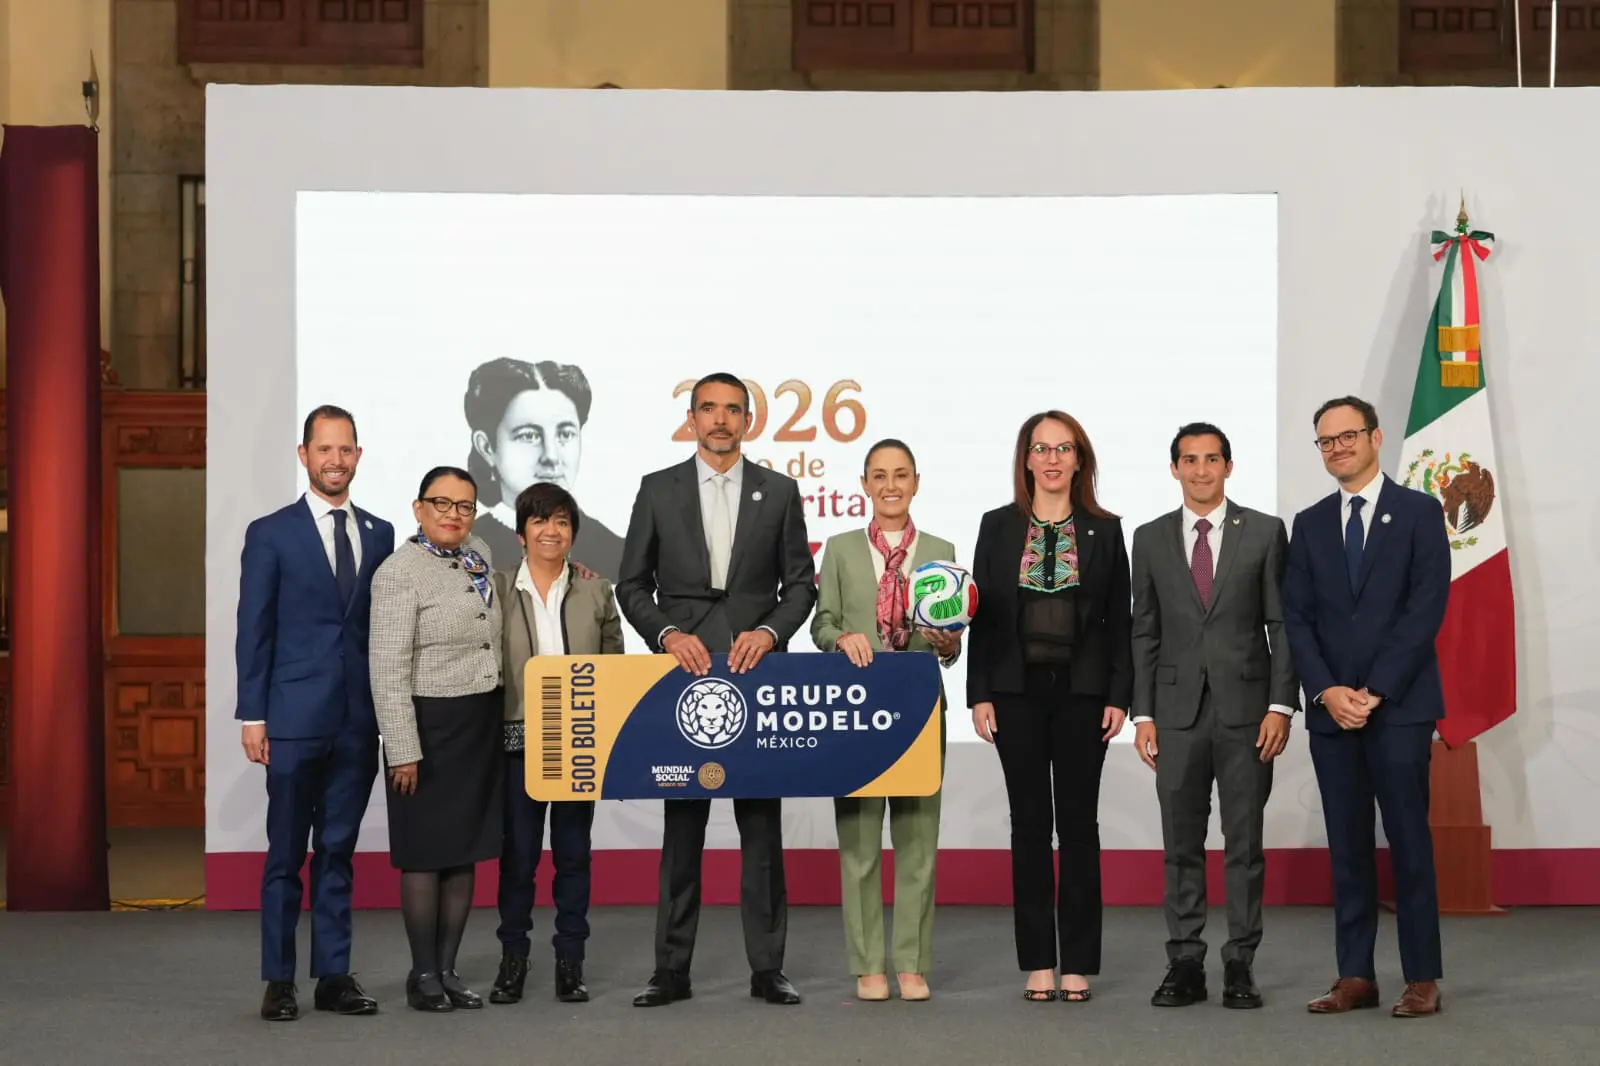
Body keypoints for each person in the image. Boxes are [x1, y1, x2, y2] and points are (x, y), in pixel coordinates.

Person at [616, 371, 818, 1008]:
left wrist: (769, 630)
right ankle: (670, 970)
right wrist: (668, 633)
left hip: (756, 676)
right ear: (692, 418)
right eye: (709, 409)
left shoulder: (780, 492)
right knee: (682, 831)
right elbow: (631, 586)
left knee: (762, 831)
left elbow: (802, 587)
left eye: (733, 410)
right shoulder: (657, 490)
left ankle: (768, 969)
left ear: (749, 420)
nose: (721, 420)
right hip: (686, 676)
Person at [1282, 396, 1451, 1019]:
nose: (1338, 449)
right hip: (1332, 713)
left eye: (1348, 436)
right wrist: (1328, 691)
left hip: (1400, 707)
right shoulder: (1310, 522)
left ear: (1375, 438)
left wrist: (1374, 691)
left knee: (1409, 842)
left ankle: (1422, 977)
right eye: (1325, 441)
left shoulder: (1419, 511)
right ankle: (1355, 975)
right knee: (1347, 847)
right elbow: (1297, 618)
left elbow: (1425, 609)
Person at [1129, 422, 1298, 1011]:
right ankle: (1184, 960)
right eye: (1189, 460)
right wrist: (1142, 713)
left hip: (1250, 714)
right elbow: (1144, 630)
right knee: (1181, 843)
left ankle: (1240, 964)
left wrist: (1281, 704)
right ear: (1173, 468)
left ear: (1229, 466)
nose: (1201, 470)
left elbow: (1282, 624)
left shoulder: (1266, 533)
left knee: (1244, 843)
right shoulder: (1148, 539)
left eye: (1212, 459)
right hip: (1173, 715)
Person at [236, 404, 395, 1022]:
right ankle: (279, 980)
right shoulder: (270, 532)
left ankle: (333, 974)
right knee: (284, 856)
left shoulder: (380, 533)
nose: (335, 460)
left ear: (358, 455)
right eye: (324, 449)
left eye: (345, 449)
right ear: (304, 456)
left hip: (358, 720)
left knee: (337, 851)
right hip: (292, 718)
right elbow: (255, 627)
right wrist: (253, 714)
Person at [967, 410, 1131, 1004]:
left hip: (1084, 696)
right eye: (1042, 448)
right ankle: (1038, 961)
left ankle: (1078, 962)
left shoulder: (1105, 530)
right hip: (1015, 694)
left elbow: (1119, 623)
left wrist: (1120, 696)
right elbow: (981, 619)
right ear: (1027, 459)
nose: (1054, 459)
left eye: (1065, 449)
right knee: (1030, 827)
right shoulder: (998, 525)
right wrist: (979, 692)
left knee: (1080, 828)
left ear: (1079, 460)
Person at [810, 438, 962, 1003]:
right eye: (880, 475)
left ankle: (912, 962)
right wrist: (841, 636)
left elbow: (950, 643)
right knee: (859, 842)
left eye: (901, 475)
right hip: (855, 713)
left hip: (920, 708)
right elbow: (821, 625)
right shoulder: (841, 548)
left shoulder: (942, 548)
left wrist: (948, 646)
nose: (891, 485)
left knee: (920, 840)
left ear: (916, 482)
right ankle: (868, 963)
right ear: (865, 484)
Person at [369, 466, 505, 1013]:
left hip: (478, 722)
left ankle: (448, 970)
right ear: (418, 508)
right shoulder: (399, 572)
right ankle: (422, 974)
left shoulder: (481, 557)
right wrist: (402, 748)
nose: (453, 514)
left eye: (465, 505)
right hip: (426, 727)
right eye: (441, 503)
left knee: (463, 853)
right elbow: (387, 667)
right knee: (425, 856)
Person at [489, 482, 624, 1006]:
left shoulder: (596, 591)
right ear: (522, 531)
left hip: (578, 744)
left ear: (573, 534)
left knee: (573, 857)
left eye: (563, 522)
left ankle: (571, 963)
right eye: (541, 521)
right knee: (518, 859)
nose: (552, 531)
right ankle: (512, 962)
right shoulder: (496, 589)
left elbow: (613, 669)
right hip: (517, 744)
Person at [464, 357, 625, 580]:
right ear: (487, 447)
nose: (551, 456)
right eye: (529, 436)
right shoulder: (464, 552)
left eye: (565, 434)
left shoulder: (617, 553)